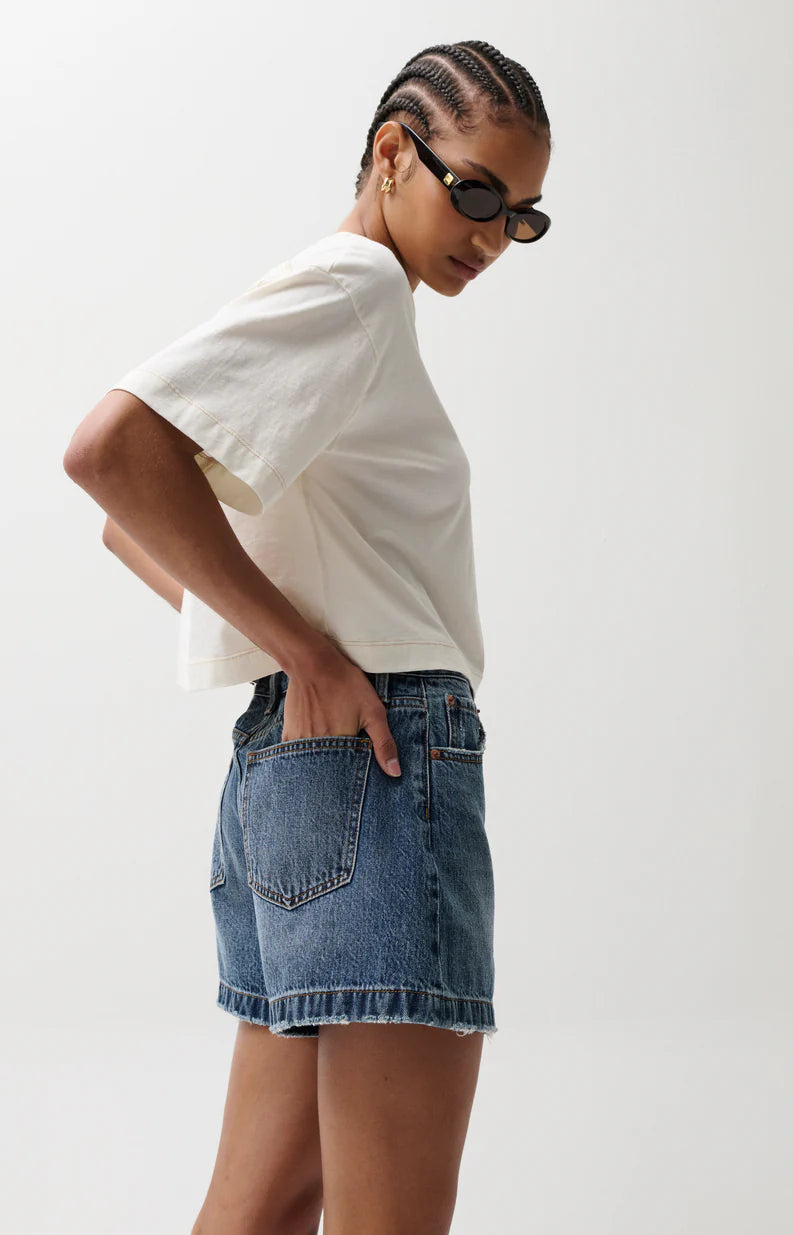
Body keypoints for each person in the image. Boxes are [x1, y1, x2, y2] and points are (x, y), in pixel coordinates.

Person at [63, 38, 551, 1235]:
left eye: (521, 217)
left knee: (262, 1203)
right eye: (475, 192)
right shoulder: (359, 288)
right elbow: (111, 453)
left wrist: (294, 659)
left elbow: (136, 519)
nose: (491, 235)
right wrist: (312, 653)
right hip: (383, 763)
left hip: (289, 772)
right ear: (392, 153)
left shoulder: (329, 298)